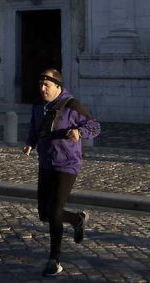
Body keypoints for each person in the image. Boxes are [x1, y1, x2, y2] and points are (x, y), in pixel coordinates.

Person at [23, 68, 100, 277]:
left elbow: (95, 126)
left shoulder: (72, 106)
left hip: (67, 164)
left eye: (46, 85)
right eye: (40, 85)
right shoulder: (38, 106)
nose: (42, 89)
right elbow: (34, 127)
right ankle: (77, 220)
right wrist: (30, 143)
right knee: (44, 213)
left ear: (58, 86)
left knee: (55, 211)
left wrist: (79, 132)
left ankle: (54, 260)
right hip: (46, 163)